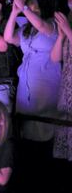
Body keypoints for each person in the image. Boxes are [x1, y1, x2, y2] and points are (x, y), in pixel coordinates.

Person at [4, 0, 61, 142]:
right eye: (30, 8)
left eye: (35, 8)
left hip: (46, 77)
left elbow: (42, 26)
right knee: (26, 122)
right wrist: (15, 12)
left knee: (44, 122)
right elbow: (8, 37)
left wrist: (24, 6)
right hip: (26, 81)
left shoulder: (52, 25)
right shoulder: (25, 29)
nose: (31, 11)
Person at [52, 9, 72, 161]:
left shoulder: (68, 26)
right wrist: (61, 36)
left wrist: (68, 30)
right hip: (66, 88)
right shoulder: (67, 23)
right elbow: (55, 58)